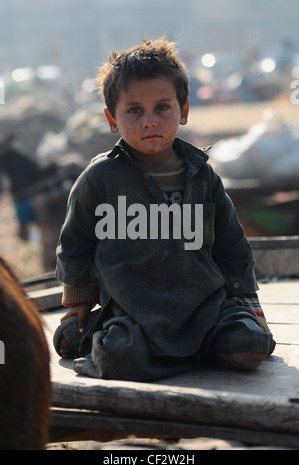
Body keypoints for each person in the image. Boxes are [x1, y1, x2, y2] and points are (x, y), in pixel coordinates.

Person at [53, 37, 275, 382]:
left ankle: (194, 347)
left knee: (249, 347)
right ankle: (132, 344)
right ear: (112, 119)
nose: (149, 121)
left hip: (206, 304)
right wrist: (77, 307)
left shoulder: (203, 175)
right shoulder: (101, 178)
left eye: (162, 107)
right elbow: (76, 244)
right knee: (117, 359)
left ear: (183, 110)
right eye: (134, 110)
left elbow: (232, 246)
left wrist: (249, 303)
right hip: (134, 309)